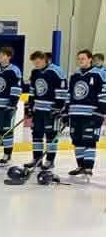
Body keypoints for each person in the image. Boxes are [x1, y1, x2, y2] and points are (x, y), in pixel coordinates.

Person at [64, 49, 106, 178]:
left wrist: (100, 112)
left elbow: (103, 94)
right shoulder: (75, 75)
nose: (80, 61)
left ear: (90, 59)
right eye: (79, 59)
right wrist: (66, 112)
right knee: (77, 140)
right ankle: (81, 166)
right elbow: (69, 94)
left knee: (89, 140)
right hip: (75, 113)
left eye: (83, 58)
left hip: (91, 114)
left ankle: (88, 167)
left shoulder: (99, 74)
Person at [24, 51, 68, 170]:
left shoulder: (56, 72)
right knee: (36, 134)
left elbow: (63, 92)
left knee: (51, 135)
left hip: (51, 110)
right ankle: (37, 159)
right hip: (38, 110)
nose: (36, 65)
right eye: (34, 63)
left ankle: (49, 160)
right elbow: (32, 91)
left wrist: (58, 108)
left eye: (38, 62)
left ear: (44, 60)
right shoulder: (35, 72)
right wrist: (30, 107)